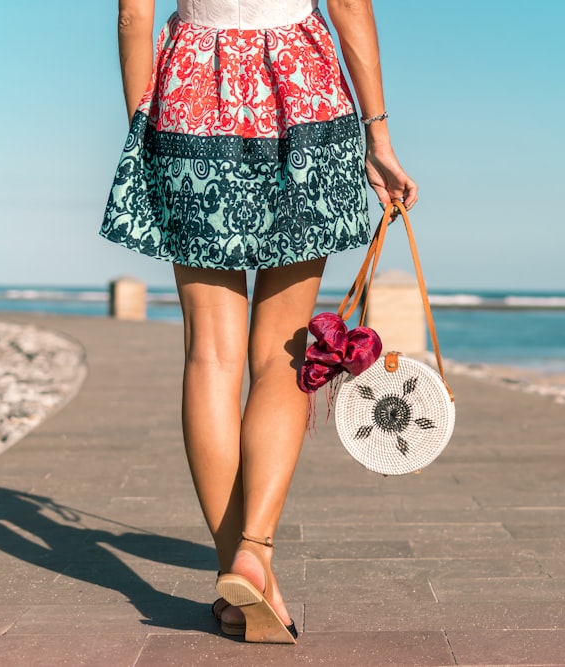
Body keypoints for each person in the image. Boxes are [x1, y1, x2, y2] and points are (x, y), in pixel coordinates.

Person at [101, 0, 417, 643]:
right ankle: (256, 548)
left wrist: (143, 125)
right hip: (303, 91)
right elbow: (349, 4)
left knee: (211, 357)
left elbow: (134, 15)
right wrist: (378, 136)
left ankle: (237, 578)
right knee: (283, 353)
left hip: (188, 87)